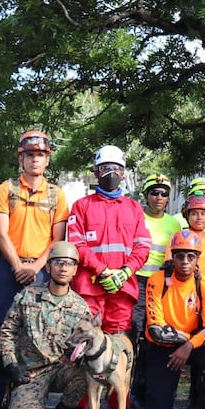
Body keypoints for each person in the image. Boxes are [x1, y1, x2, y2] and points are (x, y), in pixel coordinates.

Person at [0, 130, 70, 409]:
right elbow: (0, 232)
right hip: (10, 269)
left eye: (41, 155)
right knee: (3, 330)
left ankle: (32, 398)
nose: (35, 160)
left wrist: (35, 267)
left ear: (47, 160)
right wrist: (17, 265)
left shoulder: (56, 194)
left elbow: (57, 239)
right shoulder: (6, 189)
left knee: (39, 335)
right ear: (21, 157)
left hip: (40, 270)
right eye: (30, 154)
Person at [0, 242, 94, 409]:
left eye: (69, 263)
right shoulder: (28, 296)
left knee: (92, 370)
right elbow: (7, 332)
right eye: (58, 262)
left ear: (75, 269)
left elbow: (88, 342)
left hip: (63, 369)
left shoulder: (80, 307)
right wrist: (11, 365)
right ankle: (32, 407)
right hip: (31, 372)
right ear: (48, 266)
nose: (63, 268)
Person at [68, 144, 151, 337]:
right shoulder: (81, 206)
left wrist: (125, 272)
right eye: (106, 167)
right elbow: (77, 244)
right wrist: (103, 271)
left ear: (123, 174)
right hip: (89, 286)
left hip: (123, 288)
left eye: (117, 168)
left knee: (119, 344)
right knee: (87, 342)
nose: (111, 172)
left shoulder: (134, 208)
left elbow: (143, 246)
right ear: (96, 172)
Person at [143, 230, 205, 409]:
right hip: (163, 345)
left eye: (191, 256)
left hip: (191, 345)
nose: (185, 261)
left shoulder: (204, 284)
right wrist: (187, 341)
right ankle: (147, 402)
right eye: (180, 255)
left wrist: (188, 346)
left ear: (197, 259)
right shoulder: (157, 280)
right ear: (172, 257)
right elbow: (157, 329)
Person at [131, 174, 184, 409]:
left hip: (162, 283)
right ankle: (128, 397)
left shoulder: (174, 224)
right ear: (146, 195)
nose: (159, 197)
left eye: (164, 193)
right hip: (137, 280)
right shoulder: (136, 217)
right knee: (134, 334)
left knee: (155, 339)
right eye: (154, 192)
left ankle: (147, 397)